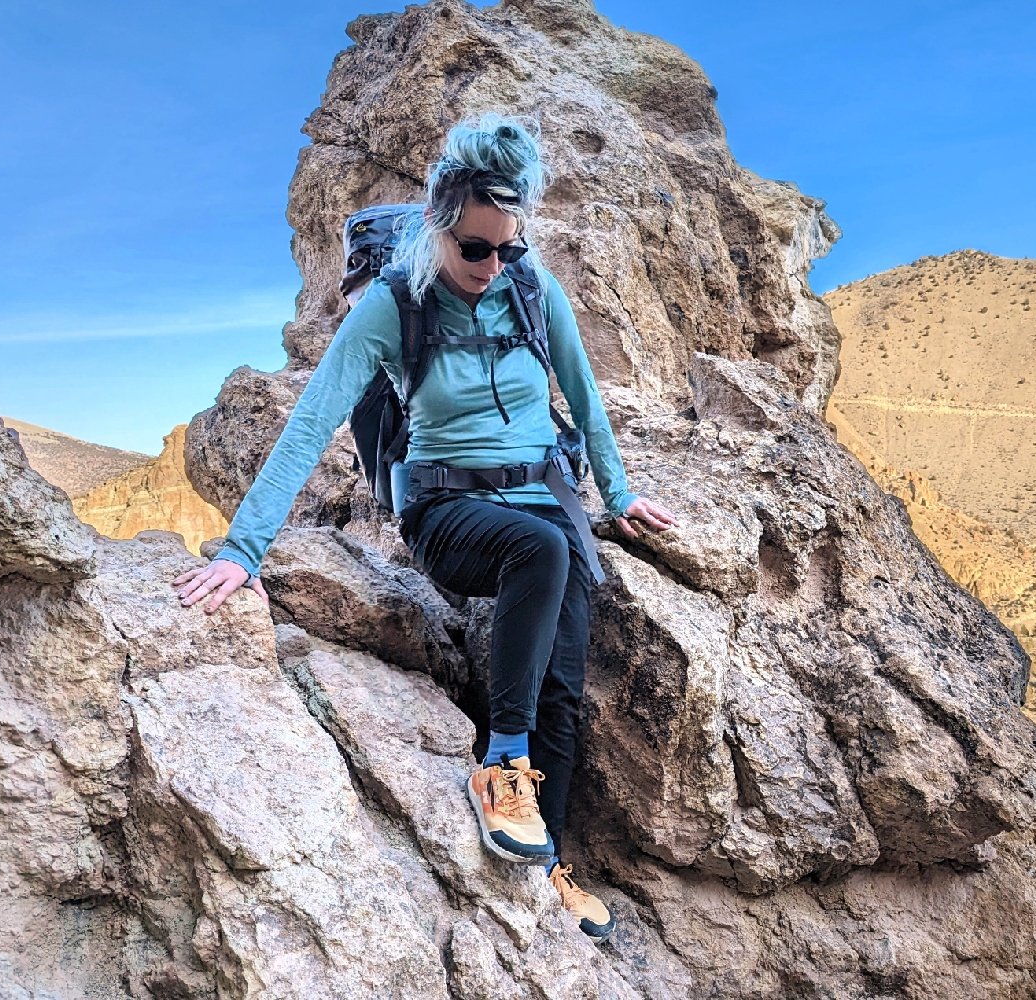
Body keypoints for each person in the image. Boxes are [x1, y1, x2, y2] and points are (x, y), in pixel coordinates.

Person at [171, 112, 677, 944]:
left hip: (546, 497)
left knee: (563, 685)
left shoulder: (531, 288)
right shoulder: (391, 307)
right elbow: (310, 425)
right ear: (439, 226)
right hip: (449, 514)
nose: (490, 266)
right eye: (474, 248)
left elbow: (585, 398)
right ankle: (499, 768)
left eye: (506, 249)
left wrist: (618, 497)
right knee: (540, 550)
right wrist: (243, 548)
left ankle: (547, 860)